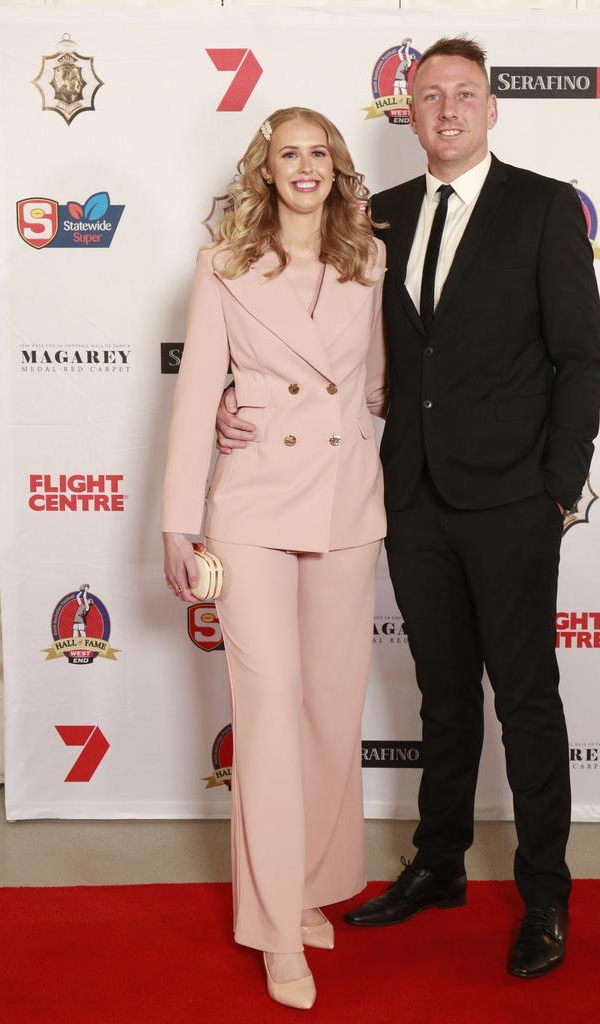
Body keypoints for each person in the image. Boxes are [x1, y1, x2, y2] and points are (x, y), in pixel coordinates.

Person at [216, 37, 600, 982]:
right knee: (439, 694)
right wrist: (240, 401)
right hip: (408, 493)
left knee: (525, 697)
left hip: (514, 495)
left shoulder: (545, 207)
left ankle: (545, 892)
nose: (447, 110)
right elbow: (308, 329)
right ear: (409, 111)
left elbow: (579, 358)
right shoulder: (372, 217)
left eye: (465, 95)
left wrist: (558, 485)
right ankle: (437, 864)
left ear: (491, 107)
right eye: (430, 96)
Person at [161, 107, 387, 1010]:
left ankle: (306, 889)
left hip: (346, 506)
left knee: (332, 708)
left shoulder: (368, 260)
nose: (305, 166)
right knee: (265, 712)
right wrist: (179, 523)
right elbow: (191, 402)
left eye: (319, 152)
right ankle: (270, 929)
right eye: (288, 153)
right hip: (250, 506)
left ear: (336, 167)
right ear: (265, 169)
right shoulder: (222, 266)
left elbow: (382, 380)